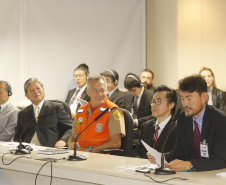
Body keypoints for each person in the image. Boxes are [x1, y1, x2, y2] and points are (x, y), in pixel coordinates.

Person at [147, 75, 226, 172]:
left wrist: (190, 164)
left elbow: (221, 160)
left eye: (189, 98)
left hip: (214, 175)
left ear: (204, 97)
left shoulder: (220, 120)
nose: (185, 104)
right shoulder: (183, 118)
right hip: (191, 176)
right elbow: (179, 151)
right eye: (182, 99)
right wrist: (163, 156)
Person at [68, 75, 125, 153]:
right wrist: (71, 144)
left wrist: (89, 149)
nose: (100, 94)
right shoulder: (81, 111)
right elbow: (74, 136)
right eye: (95, 90)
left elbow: (116, 143)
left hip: (101, 157)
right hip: (80, 155)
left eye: (102, 90)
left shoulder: (112, 111)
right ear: (88, 92)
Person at [14, 78, 73, 148]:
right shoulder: (22, 113)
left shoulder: (56, 108)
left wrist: (63, 140)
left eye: (38, 88)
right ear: (26, 95)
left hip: (49, 149)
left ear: (43, 90)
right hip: (27, 150)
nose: (36, 91)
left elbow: (71, 127)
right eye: (32, 90)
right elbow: (17, 136)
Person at [133, 85, 177, 158]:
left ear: (171, 105)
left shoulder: (177, 128)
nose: (153, 105)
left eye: (158, 101)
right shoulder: (146, 126)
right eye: (153, 101)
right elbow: (137, 151)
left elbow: (177, 155)